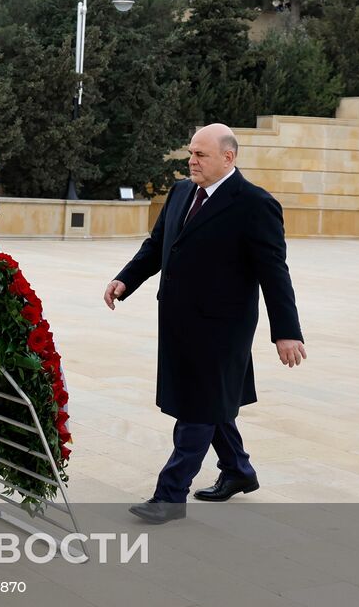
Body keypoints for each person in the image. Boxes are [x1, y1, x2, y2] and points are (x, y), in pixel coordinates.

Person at [104, 124, 306, 524]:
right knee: (213, 400)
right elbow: (157, 246)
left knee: (197, 406)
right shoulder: (181, 192)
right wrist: (125, 279)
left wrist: (286, 331)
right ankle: (238, 471)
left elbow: (274, 272)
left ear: (228, 158)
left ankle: (170, 496)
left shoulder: (254, 204)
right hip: (179, 320)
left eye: (201, 155)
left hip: (223, 327)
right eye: (191, 154)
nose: (192, 161)